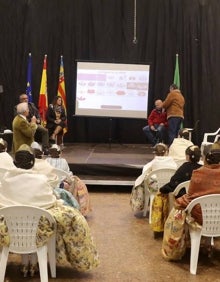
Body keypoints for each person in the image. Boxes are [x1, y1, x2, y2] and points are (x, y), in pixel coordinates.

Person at [0, 144, 99, 276]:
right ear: (33, 162)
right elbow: (49, 202)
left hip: (9, 231)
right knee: (73, 218)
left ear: (14, 162)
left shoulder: (5, 180)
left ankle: (24, 263)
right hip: (39, 230)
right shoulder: (40, 179)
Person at [161, 145, 220, 261]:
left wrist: (179, 202)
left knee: (177, 212)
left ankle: (174, 250)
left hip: (201, 218)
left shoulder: (198, 173)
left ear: (206, 159)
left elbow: (190, 197)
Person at [46, 144, 91, 216]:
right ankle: (76, 209)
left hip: (48, 186)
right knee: (76, 182)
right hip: (61, 186)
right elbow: (68, 175)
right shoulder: (63, 161)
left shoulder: (46, 161)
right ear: (59, 153)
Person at [130, 143, 177, 213]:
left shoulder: (153, 163)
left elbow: (144, 172)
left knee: (142, 181)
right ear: (166, 152)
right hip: (170, 187)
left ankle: (140, 204)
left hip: (156, 188)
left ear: (155, 153)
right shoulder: (172, 161)